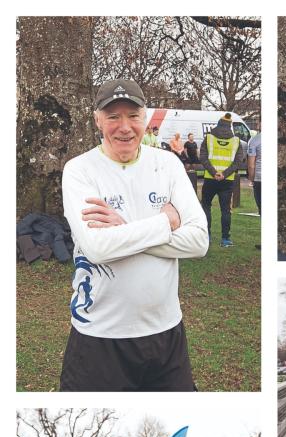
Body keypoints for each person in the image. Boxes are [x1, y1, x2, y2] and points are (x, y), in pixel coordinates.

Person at [59, 79, 208, 392]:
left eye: (133, 115)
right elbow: (98, 248)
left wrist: (124, 228)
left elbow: (198, 242)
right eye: (113, 117)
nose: (124, 127)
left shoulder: (167, 164)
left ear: (146, 117)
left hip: (166, 334)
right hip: (99, 336)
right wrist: (166, 222)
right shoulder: (79, 170)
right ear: (97, 120)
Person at [199, 112, 245, 248]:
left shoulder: (208, 138)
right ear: (230, 126)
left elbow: (203, 157)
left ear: (218, 124)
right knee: (225, 210)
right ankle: (225, 239)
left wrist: (214, 173)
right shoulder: (236, 141)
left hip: (210, 179)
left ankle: (206, 236)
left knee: (206, 206)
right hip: (227, 180)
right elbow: (238, 161)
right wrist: (224, 174)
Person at [247, 131, 262, 220]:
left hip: (260, 177)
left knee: (262, 207)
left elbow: (251, 165)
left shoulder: (255, 140)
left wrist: (252, 179)